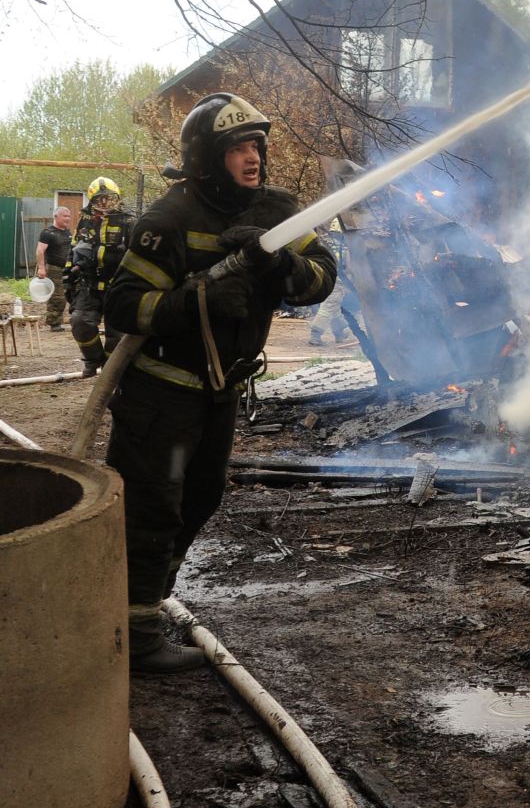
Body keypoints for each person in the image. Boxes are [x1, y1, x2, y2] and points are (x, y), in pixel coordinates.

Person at [103, 93, 338, 673]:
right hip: (162, 392)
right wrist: (194, 300)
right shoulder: (171, 218)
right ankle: (134, 641)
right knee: (152, 507)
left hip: (219, 391)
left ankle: (144, 604)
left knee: (200, 498)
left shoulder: (276, 210)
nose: (252, 157)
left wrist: (280, 265)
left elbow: (323, 278)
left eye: (256, 145)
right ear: (208, 158)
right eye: (237, 147)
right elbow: (125, 307)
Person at [66, 177, 135, 376]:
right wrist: (68, 278)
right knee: (80, 322)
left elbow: (139, 254)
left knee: (118, 334)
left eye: (109, 198)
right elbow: (74, 248)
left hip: (118, 286)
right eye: (100, 199)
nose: (105, 203)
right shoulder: (86, 220)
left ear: (117, 198)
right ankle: (92, 359)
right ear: (92, 200)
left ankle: (111, 369)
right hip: (90, 284)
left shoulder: (129, 221)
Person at [35, 205, 72, 330]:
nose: (67, 219)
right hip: (54, 269)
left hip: (69, 269)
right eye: (64, 216)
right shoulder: (47, 233)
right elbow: (40, 251)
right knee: (57, 297)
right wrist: (41, 268)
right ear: (56, 216)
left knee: (71, 294)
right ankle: (54, 323)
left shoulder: (68, 232)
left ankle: (73, 319)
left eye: (69, 216)